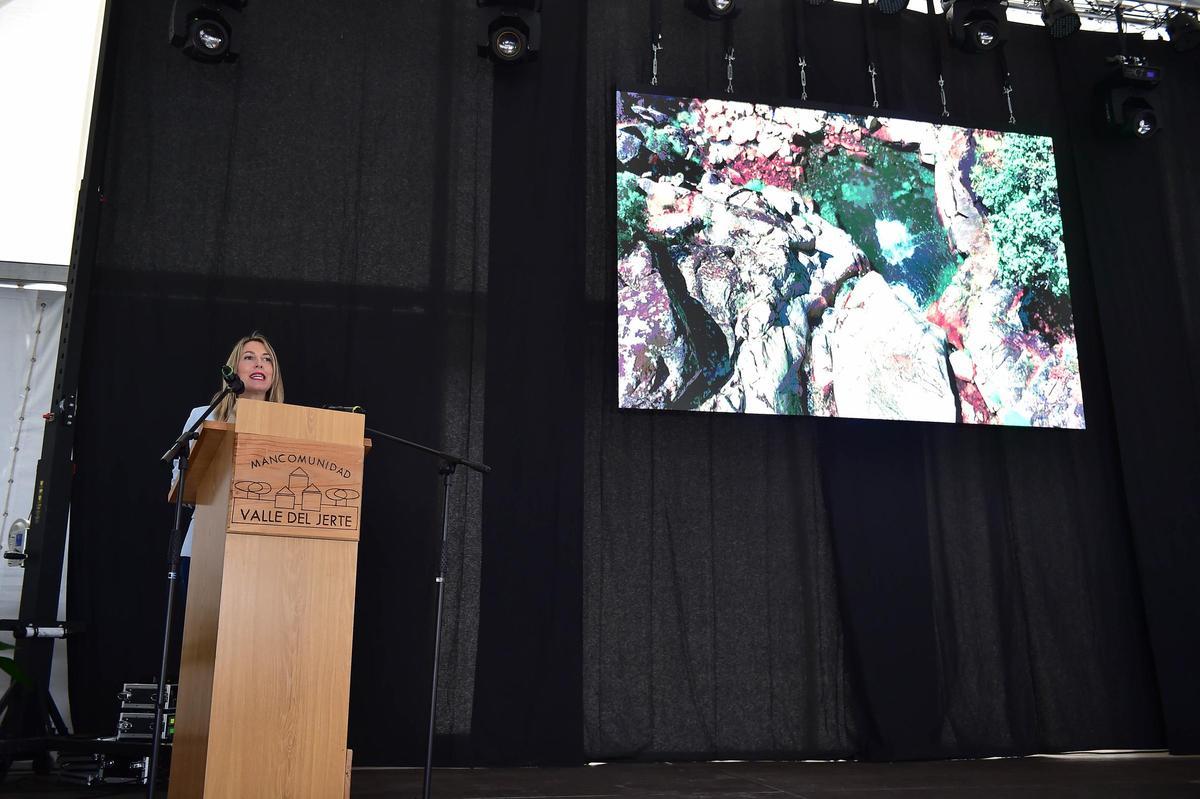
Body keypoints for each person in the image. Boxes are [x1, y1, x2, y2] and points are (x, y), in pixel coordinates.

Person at [172, 332, 286, 557]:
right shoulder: (206, 417)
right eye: (249, 357)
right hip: (205, 542)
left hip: (264, 549)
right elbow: (180, 481)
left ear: (274, 373)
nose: (259, 364)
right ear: (234, 368)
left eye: (267, 359)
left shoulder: (287, 425)